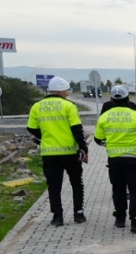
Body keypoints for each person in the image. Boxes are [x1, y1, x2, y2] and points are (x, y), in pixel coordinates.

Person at [27, 76, 89, 227]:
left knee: (54, 185)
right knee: (77, 183)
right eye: (67, 90)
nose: (68, 93)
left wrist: (45, 137)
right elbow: (77, 129)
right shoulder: (69, 106)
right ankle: (78, 213)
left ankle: (57, 217)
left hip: (49, 153)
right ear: (61, 91)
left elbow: (31, 128)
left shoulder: (37, 106)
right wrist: (84, 148)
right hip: (70, 152)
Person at [94, 86, 136, 233]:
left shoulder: (104, 117)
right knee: (135, 189)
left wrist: (110, 144)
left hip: (114, 160)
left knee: (118, 189)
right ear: (128, 99)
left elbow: (98, 139)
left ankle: (120, 219)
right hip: (133, 159)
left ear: (112, 100)